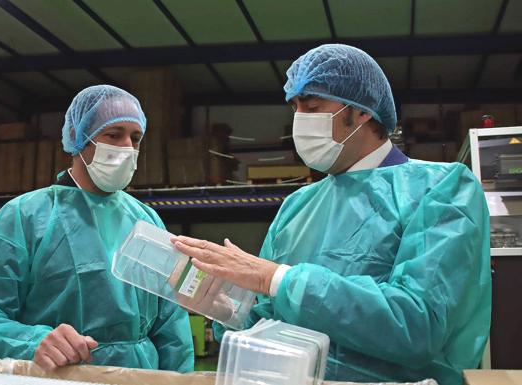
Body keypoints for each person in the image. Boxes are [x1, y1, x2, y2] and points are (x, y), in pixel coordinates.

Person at [171, 44, 491, 384]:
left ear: (363, 110)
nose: (299, 121)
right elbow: (271, 320)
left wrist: (277, 278)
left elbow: (419, 325)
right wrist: (230, 311)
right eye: (295, 108)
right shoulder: (297, 207)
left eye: (312, 107)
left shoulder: (442, 189)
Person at [0, 85, 194, 372]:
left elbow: (171, 327)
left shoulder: (146, 219)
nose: (127, 148)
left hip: (138, 376)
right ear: (77, 138)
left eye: (136, 138)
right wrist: (35, 341)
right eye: (113, 135)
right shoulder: (26, 216)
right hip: (57, 376)